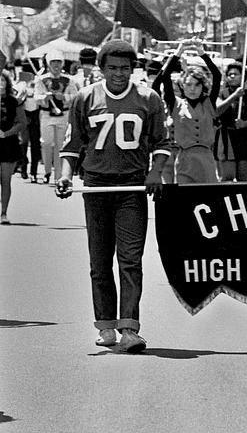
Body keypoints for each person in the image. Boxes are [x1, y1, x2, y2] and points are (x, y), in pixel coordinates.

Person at [54, 39, 170, 353]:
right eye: (113, 68)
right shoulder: (84, 98)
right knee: (100, 260)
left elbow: (162, 143)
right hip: (96, 187)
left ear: (134, 69)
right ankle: (105, 324)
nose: (119, 73)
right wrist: (65, 176)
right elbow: (71, 145)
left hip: (132, 188)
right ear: (101, 69)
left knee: (130, 260)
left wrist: (155, 172)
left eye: (125, 68)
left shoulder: (149, 98)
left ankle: (129, 327)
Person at [152, 40, 221, 184]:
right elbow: (164, 77)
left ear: (203, 86)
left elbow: (217, 75)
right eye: (188, 85)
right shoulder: (175, 104)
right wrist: (179, 51)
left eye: (197, 85)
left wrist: (202, 52)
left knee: (210, 198)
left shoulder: (208, 103)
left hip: (206, 158)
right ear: (182, 86)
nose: (192, 89)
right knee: (185, 200)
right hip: (185, 159)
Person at [214, 61, 247, 181]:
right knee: (228, 177)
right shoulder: (221, 94)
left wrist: (246, 123)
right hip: (226, 137)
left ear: (243, 77)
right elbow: (216, 111)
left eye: (236, 74)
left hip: (245, 138)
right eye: (230, 74)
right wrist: (234, 97)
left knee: (243, 176)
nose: (232, 76)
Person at [34, 50, 78, 184]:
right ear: (49, 64)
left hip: (63, 114)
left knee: (61, 146)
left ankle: (58, 176)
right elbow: (36, 97)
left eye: (58, 62)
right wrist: (44, 97)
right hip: (47, 115)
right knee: (46, 143)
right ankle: (47, 170)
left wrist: (64, 97)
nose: (56, 65)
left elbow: (76, 97)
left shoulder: (68, 80)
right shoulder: (41, 79)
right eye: (53, 62)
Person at [0, 71, 27, 224]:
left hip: (8, 144)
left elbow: (22, 123)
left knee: (5, 180)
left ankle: (3, 213)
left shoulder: (13, 101)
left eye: (2, 80)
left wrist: (6, 133)